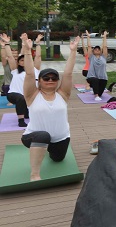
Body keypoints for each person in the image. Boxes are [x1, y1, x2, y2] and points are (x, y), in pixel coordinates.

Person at [21, 35, 79, 181]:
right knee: (43, 136)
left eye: (54, 78)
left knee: (58, 159)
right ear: (39, 81)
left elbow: (68, 73)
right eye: (46, 78)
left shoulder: (63, 94)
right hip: (33, 136)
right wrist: (28, 51)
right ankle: (34, 174)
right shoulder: (32, 95)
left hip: (61, 138)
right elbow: (29, 73)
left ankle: (44, 149)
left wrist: (73, 52)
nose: (50, 80)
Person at [2, 33, 42, 127]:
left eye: (26, 60)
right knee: (21, 98)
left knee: (29, 111)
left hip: (29, 97)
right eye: (21, 60)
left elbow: (38, 56)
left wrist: (38, 43)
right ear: (18, 63)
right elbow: (10, 57)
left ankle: (28, 113)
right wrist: (7, 44)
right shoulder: (15, 70)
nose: (24, 62)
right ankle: (21, 121)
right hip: (14, 95)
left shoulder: (35, 70)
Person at [86, 31, 109, 101]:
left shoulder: (104, 57)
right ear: (93, 51)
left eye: (98, 49)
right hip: (91, 77)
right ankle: (96, 95)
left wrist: (105, 37)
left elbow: (105, 47)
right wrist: (88, 37)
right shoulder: (91, 57)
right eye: (95, 49)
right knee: (95, 80)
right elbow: (89, 47)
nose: (97, 50)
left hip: (103, 78)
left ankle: (96, 92)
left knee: (100, 94)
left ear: (101, 51)